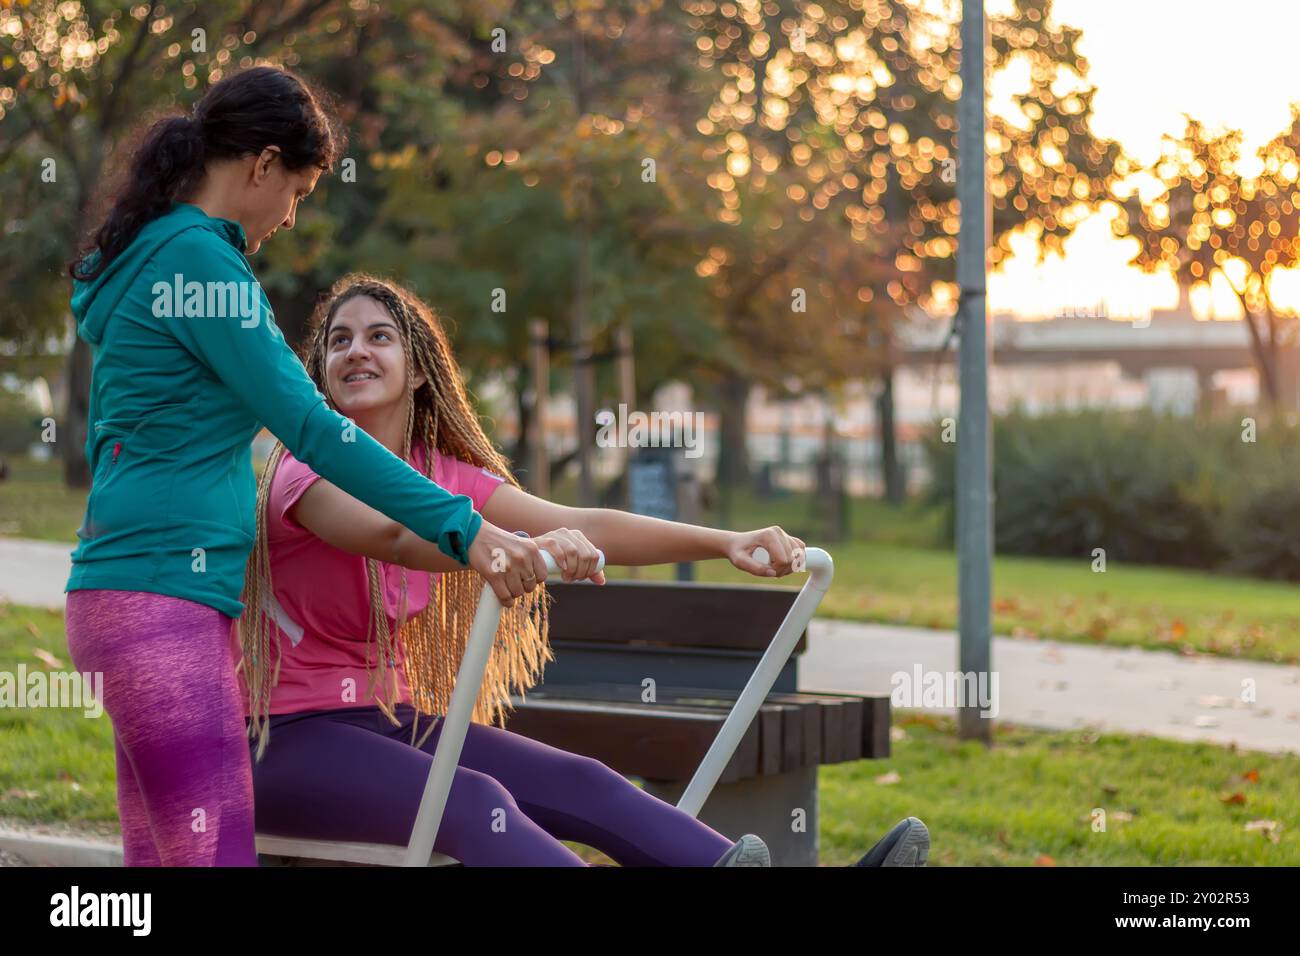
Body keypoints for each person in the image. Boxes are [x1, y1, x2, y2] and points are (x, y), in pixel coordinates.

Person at [238, 274, 931, 867]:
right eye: (339, 340)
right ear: (321, 370)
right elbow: (392, 533)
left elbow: (588, 521)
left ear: (419, 369)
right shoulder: (306, 465)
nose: (356, 349)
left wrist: (726, 540)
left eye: (379, 335)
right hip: (280, 740)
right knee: (479, 802)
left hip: (388, 722)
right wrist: (510, 546)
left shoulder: (440, 476)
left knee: (582, 780)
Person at [63, 66, 551, 868]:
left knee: (159, 863)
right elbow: (314, 430)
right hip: (161, 608)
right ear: (260, 165)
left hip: (122, 601)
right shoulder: (199, 265)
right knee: (214, 854)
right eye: (297, 189)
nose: (292, 215)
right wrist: (466, 530)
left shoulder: (147, 256)